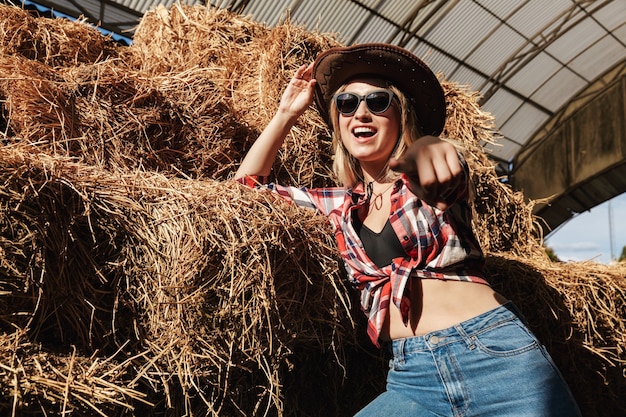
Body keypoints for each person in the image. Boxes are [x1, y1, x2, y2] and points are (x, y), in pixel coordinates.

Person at [235, 43, 581, 416]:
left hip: (493, 355)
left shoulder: (422, 177)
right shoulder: (337, 205)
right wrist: (286, 113)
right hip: (412, 376)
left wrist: (434, 148)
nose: (361, 113)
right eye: (346, 104)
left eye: (378, 102)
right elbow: (247, 189)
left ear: (401, 115)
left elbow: (437, 157)